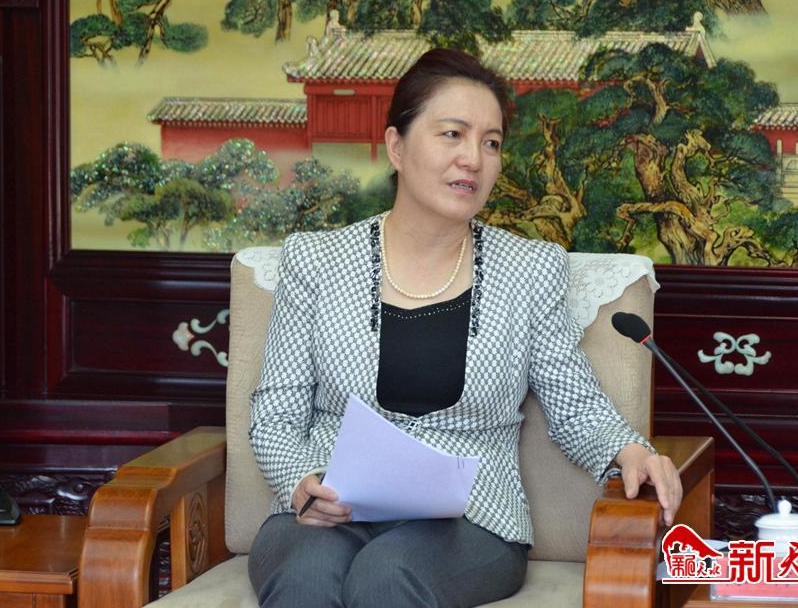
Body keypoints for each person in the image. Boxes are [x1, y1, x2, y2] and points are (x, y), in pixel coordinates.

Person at [247, 48, 682, 608]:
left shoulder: (530, 270)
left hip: (470, 518)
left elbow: (575, 406)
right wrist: (300, 483)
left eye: (491, 142)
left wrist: (630, 451)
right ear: (397, 146)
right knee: (305, 581)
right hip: (333, 503)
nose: (473, 159)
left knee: (386, 578)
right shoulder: (316, 261)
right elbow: (276, 414)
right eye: (452, 134)